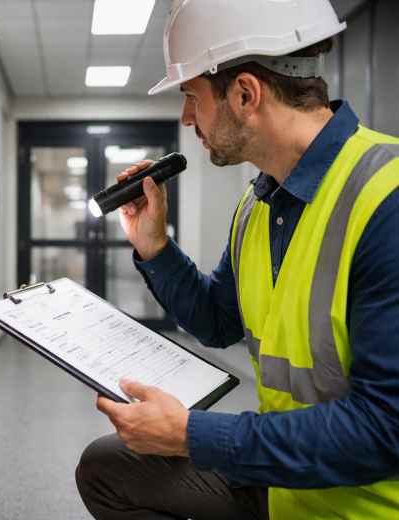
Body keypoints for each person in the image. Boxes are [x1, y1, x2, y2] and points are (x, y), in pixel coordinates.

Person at [75, 1, 399, 519]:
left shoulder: (387, 198)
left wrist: (192, 434)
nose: (187, 118)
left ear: (245, 94)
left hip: (361, 503)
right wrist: (154, 247)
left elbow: (386, 430)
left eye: (191, 97)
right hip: (285, 480)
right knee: (109, 468)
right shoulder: (259, 203)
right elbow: (217, 320)